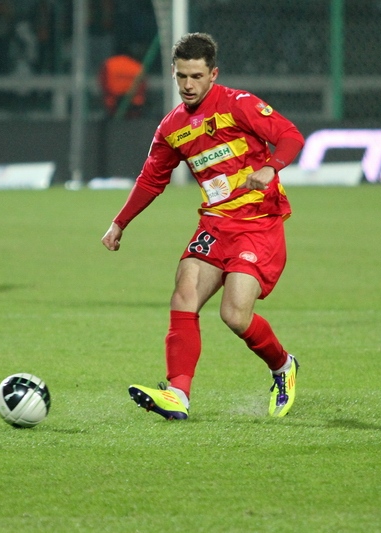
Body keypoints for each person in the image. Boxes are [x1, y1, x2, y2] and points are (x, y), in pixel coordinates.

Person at [101, 32, 304, 420]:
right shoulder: (172, 127)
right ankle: (178, 394)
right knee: (184, 294)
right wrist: (119, 223)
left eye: (196, 76)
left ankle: (283, 365)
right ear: (173, 73)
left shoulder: (238, 104)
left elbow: (290, 137)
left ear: (213, 74)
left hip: (258, 223)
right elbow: (151, 179)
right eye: (181, 76)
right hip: (215, 224)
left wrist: (270, 167)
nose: (188, 85)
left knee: (235, 316)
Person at [99, 51, 146, 118]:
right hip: (134, 104)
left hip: (113, 103)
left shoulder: (109, 64)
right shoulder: (137, 65)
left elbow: (103, 83)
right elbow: (143, 86)